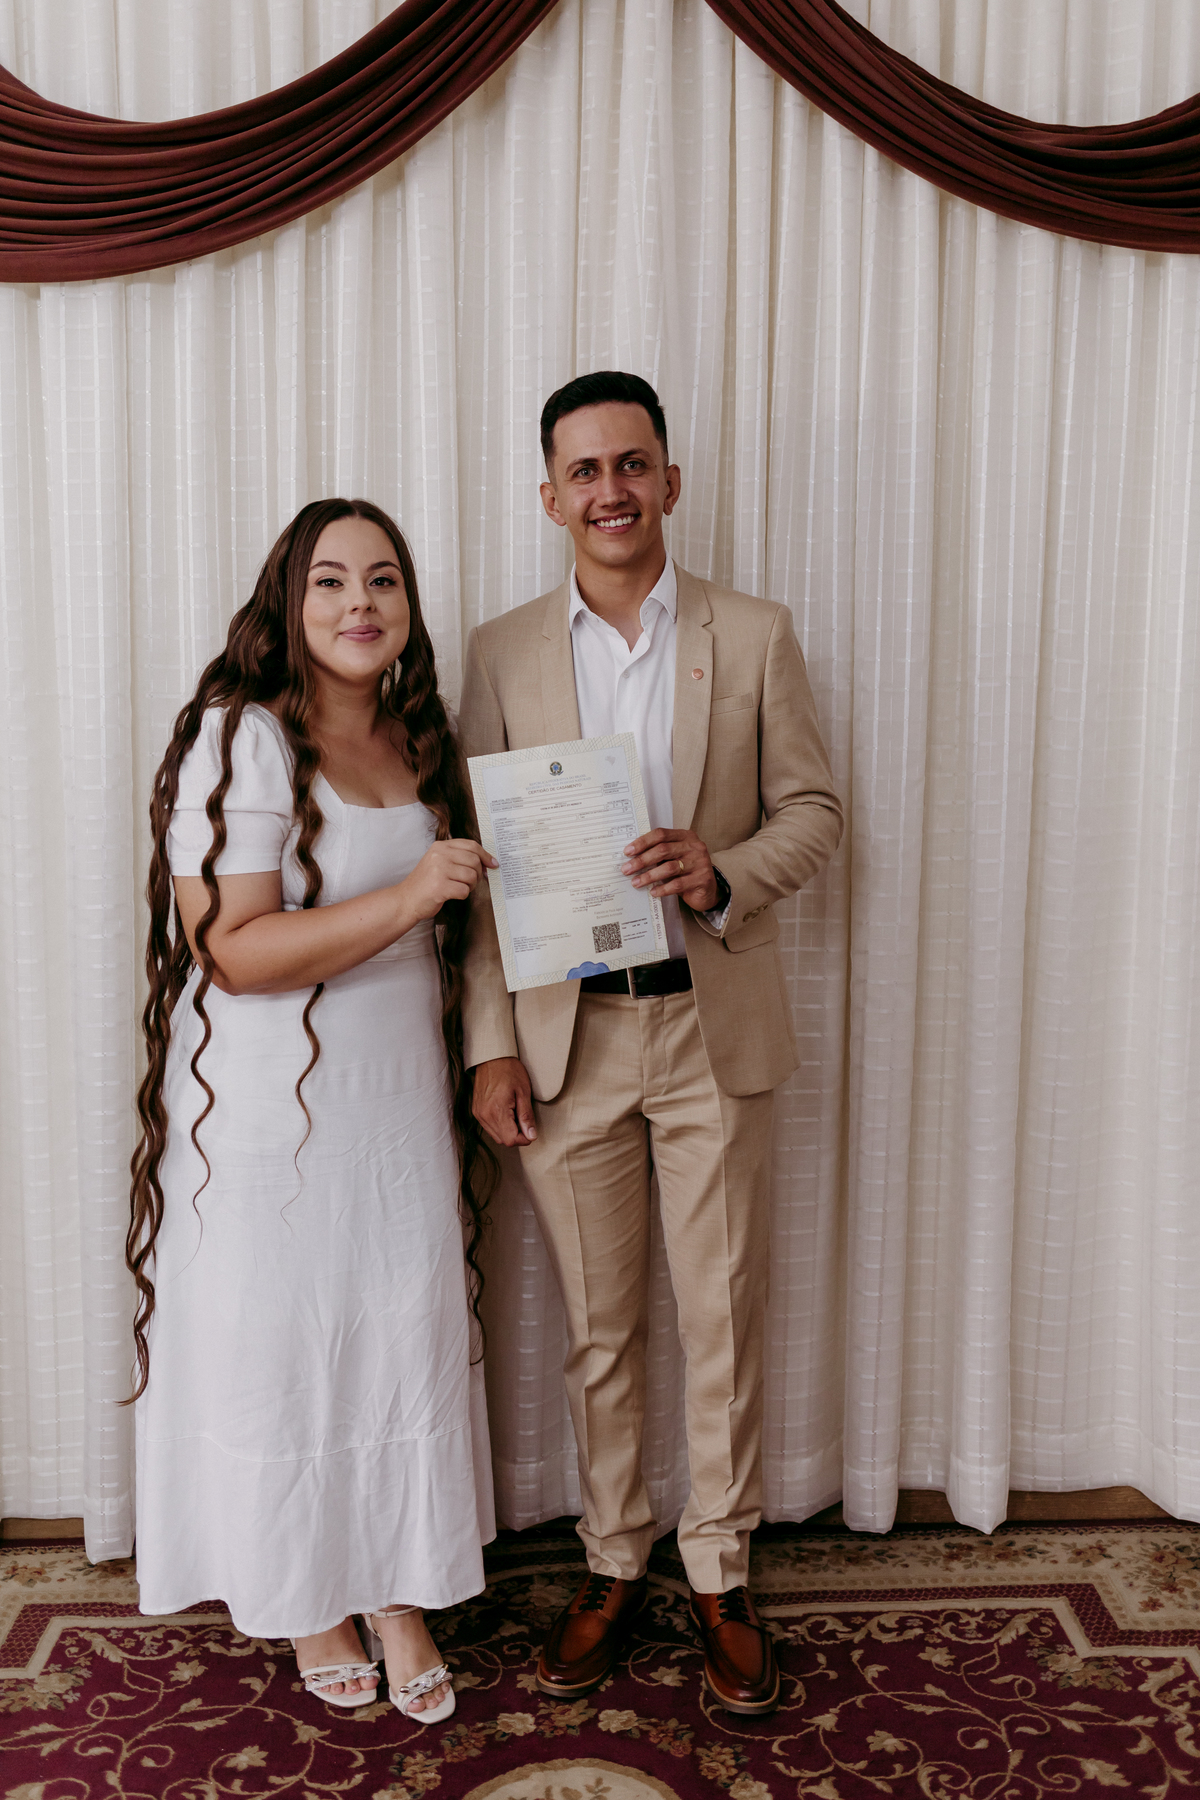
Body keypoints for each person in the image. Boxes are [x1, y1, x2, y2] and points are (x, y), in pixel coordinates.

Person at [459, 372, 843, 1717]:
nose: (610, 490)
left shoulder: (755, 633)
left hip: (707, 1026)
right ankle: (614, 1560)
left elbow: (816, 811)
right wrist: (489, 1046)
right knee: (601, 1330)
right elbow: (481, 872)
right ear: (550, 496)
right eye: (585, 470)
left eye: (632, 464)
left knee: (723, 1314)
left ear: (670, 482)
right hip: (569, 1042)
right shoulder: (498, 653)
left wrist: (721, 869)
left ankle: (721, 1569)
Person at [128, 498, 497, 1723]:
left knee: (396, 1329)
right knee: (286, 1347)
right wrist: (409, 898)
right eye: (330, 580)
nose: (360, 603)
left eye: (384, 579)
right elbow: (233, 951)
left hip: (396, 1102)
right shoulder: (241, 737)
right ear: (288, 603)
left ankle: (395, 1582)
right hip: (271, 1116)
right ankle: (307, 1596)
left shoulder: (415, 736)